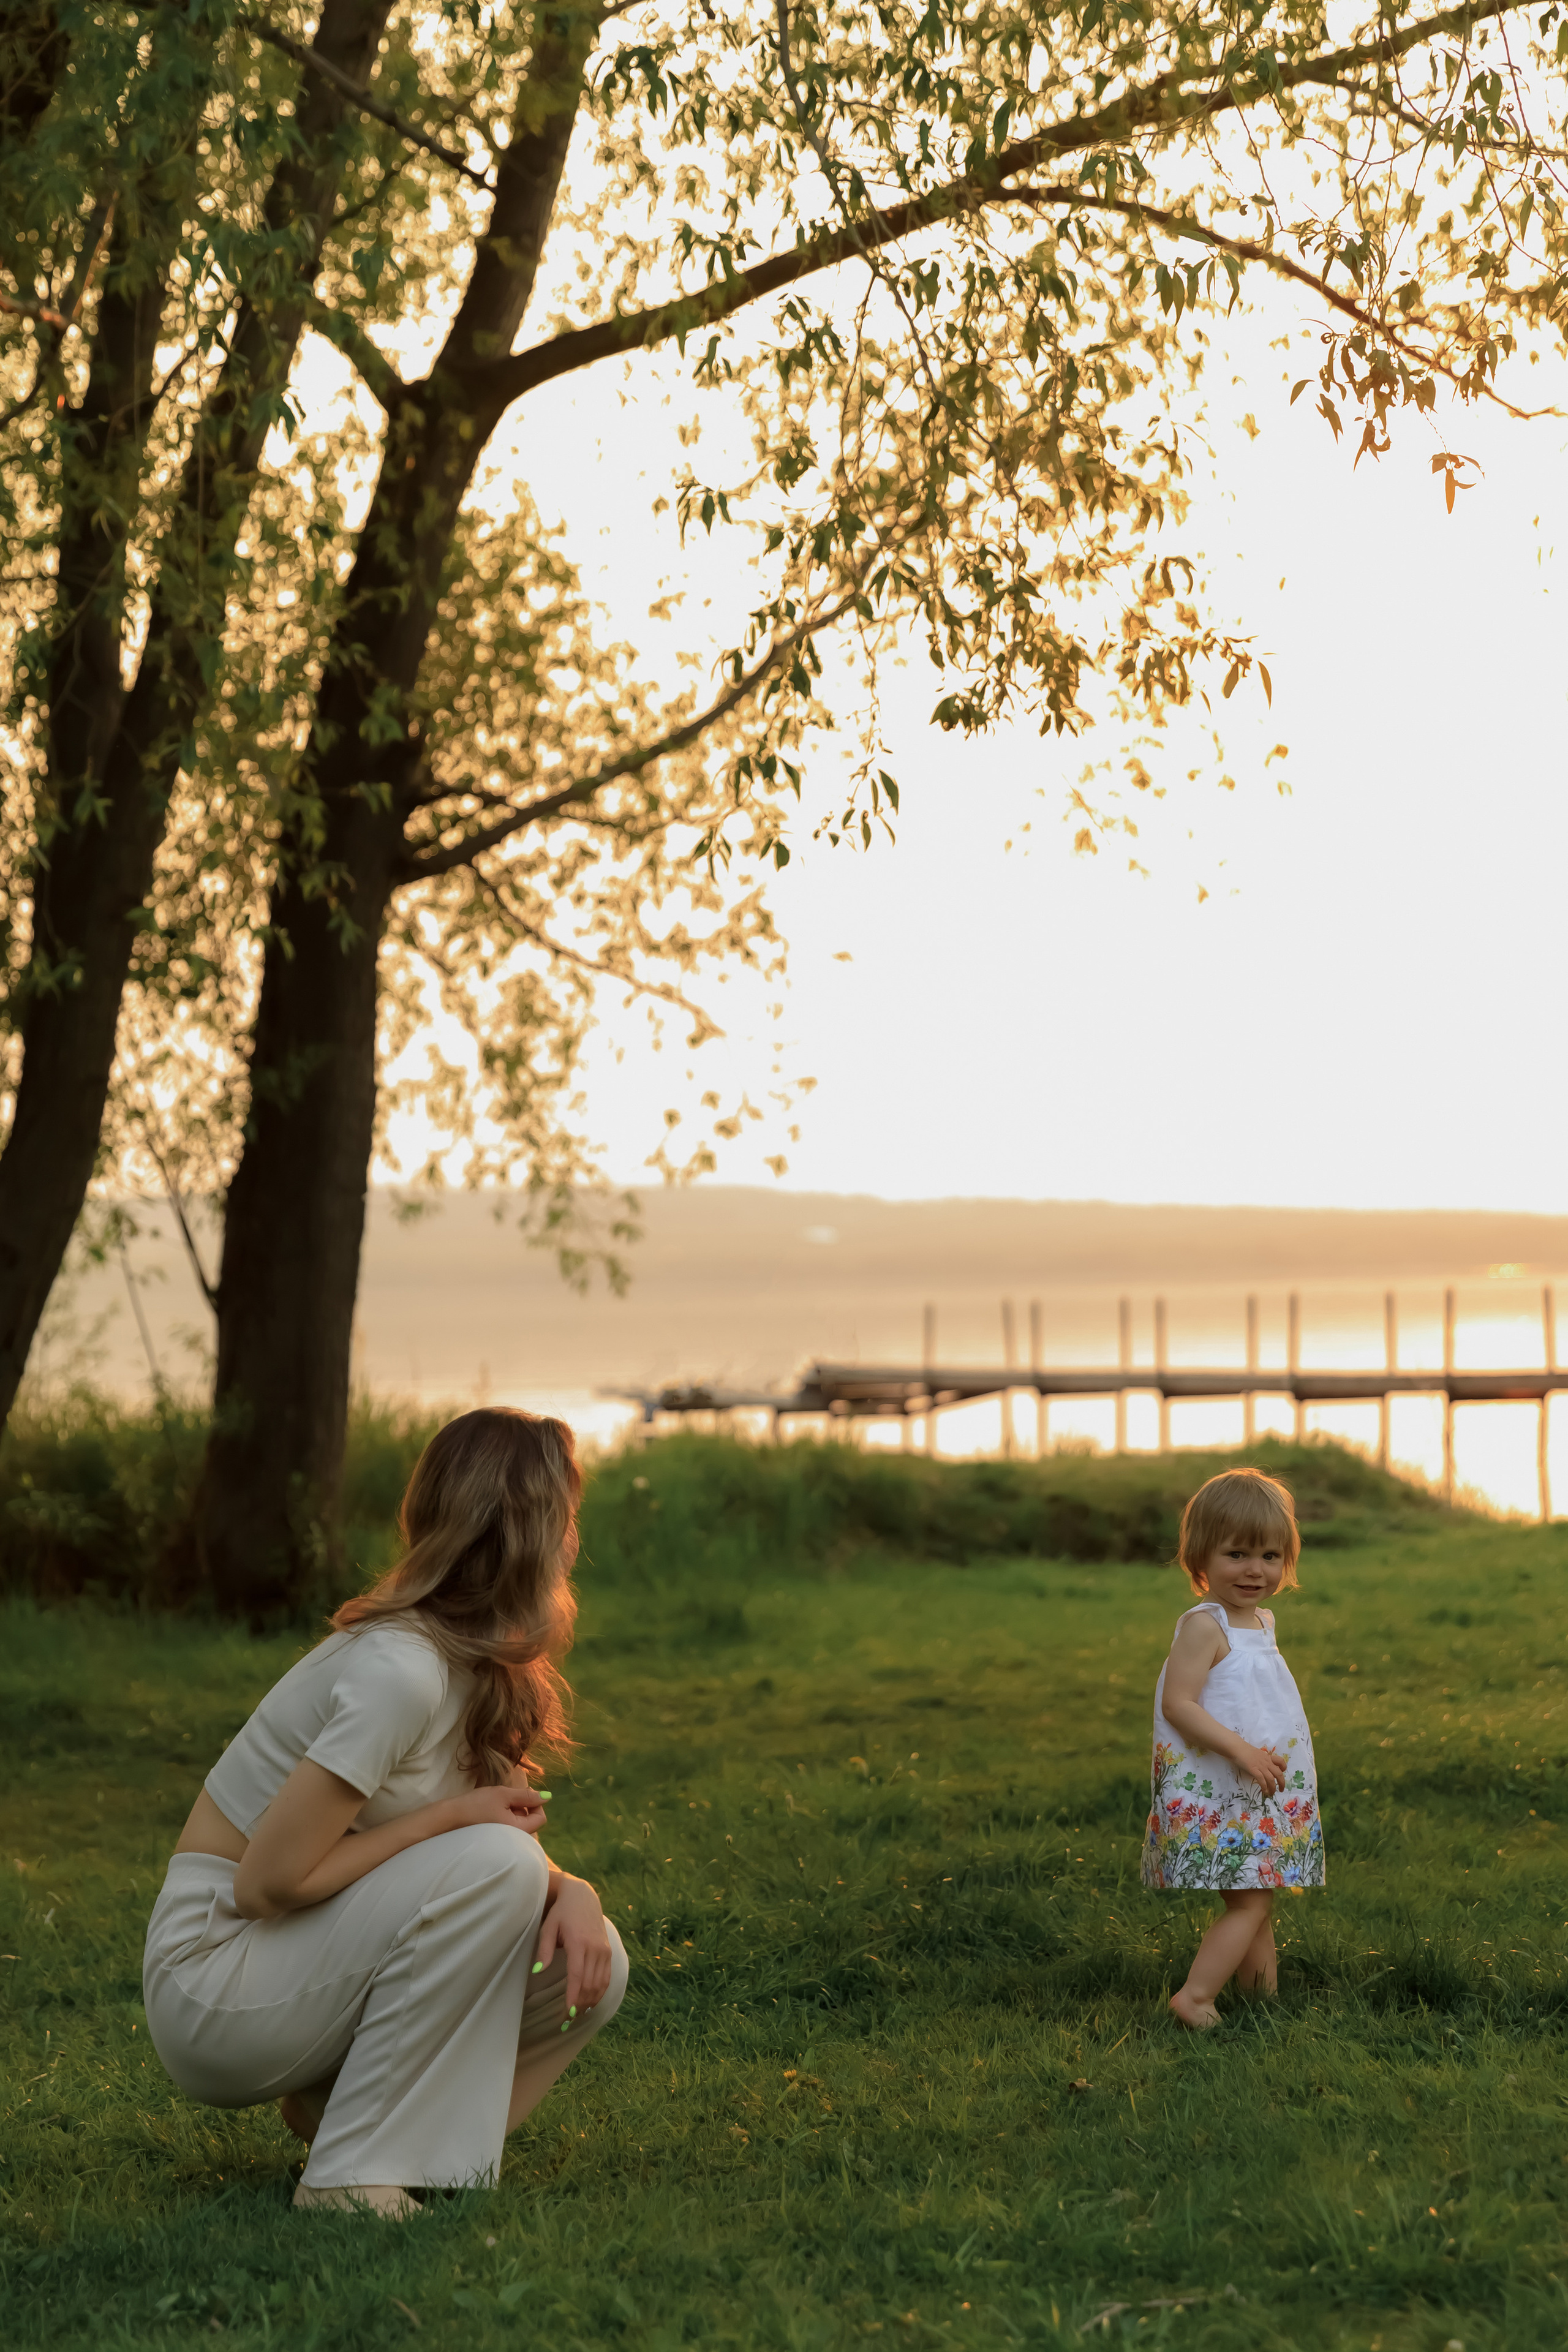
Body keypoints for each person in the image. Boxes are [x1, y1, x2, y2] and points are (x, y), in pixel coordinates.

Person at [143, 1408, 627, 2215]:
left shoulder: (475, 1662)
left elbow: (481, 1854)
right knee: (496, 1866)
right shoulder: (399, 1672)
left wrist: (572, 1888)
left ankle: (371, 2133)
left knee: (591, 1964)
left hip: (293, 1954)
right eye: (568, 1519)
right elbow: (265, 1883)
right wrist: (450, 1821)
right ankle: (347, 2181)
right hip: (215, 1976)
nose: (575, 1540)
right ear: (540, 1535)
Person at [1140, 1466, 1324, 2027]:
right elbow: (1181, 1704)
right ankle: (1195, 1997)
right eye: (1237, 1553)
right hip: (1224, 1787)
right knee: (1251, 1900)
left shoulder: (1262, 1621)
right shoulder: (1206, 1625)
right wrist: (1244, 1753)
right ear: (1201, 1558)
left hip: (1260, 1788)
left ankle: (1259, 2000)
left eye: (1270, 1555)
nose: (1255, 1570)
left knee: (1256, 1893)